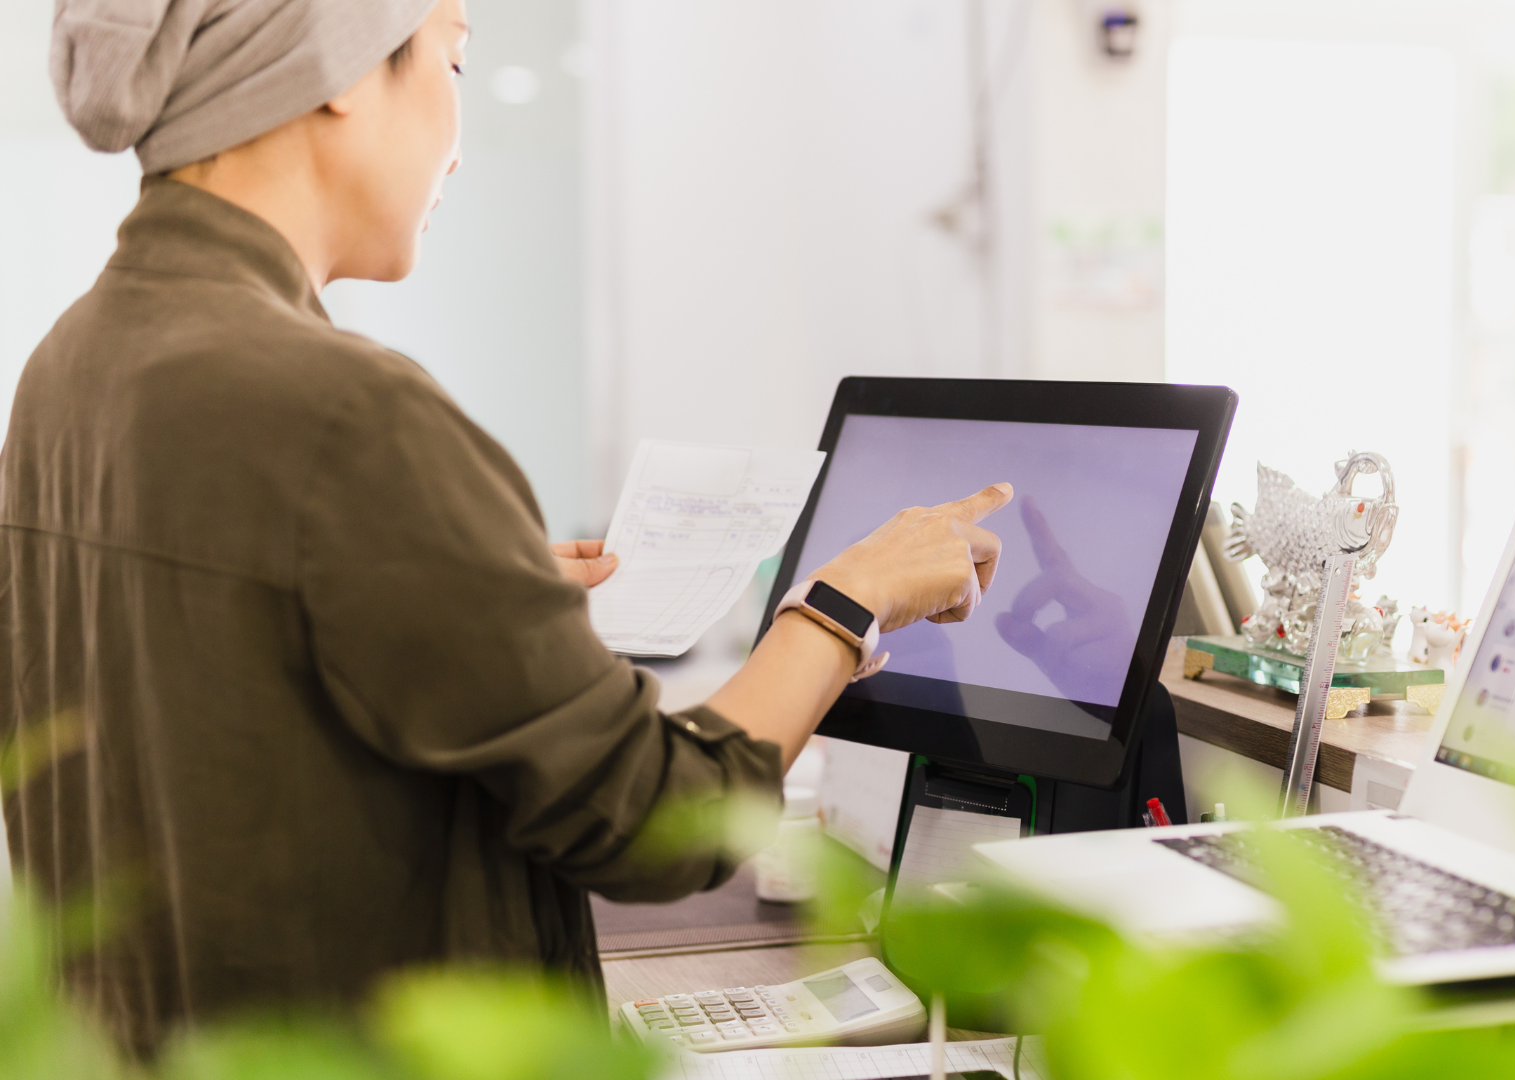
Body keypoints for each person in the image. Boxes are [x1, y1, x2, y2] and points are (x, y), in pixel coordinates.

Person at [2, 0, 1010, 1054]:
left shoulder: (68, 367)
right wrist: (843, 605)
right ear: (340, 69)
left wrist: (455, 587)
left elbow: (207, 684)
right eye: (456, 62)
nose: (460, 143)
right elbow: (658, 816)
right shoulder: (349, 415)